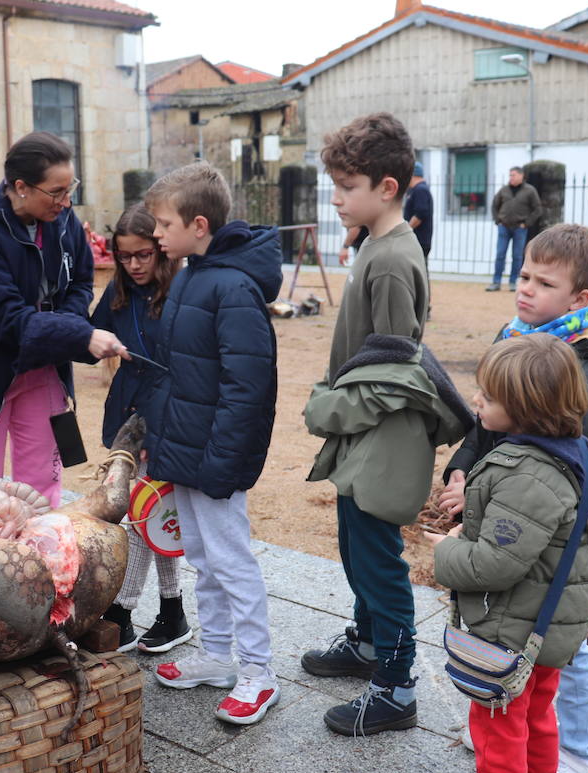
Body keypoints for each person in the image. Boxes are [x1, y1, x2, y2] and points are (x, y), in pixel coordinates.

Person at [424, 334, 588, 773]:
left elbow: (495, 563)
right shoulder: (576, 453)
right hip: (550, 628)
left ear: (525, 407)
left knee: (497, 736)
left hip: (514, 629)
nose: (477, 403)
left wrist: (448, 548)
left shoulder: (527, 470)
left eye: (487, 396)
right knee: (539, 715)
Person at [439, 223, 588, 773]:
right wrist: (463, 472)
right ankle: (512, 716)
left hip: (553, 529)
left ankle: (579, 752)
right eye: (523, 275)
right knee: (524, 631)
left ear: (581, 300)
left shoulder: (587, 370)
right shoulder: (520, 337)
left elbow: (568, 459)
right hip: (512, 509)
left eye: (544, 282)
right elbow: (485, 429)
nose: (525, 289)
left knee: (564, 640)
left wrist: (494, 503)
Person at [299, 112, 438, 737]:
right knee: (356, 548)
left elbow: (396, 372)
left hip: (381, 438)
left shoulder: (388, 260)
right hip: (364, 435)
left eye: (347, 185)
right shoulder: (373, 247)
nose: (335, 196)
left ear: (387, 186)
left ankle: (397, 685)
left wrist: (329, 408)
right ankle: (366, 644)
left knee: (379, 560)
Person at [142, 161, 282, 727]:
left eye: (163, 223)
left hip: (215, 457)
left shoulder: (233, 287)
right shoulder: (192, 272)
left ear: (199, 225)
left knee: (231, 560)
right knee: (202, 557)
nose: (155, 234)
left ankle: (258, 671)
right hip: (187, 449)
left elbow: (247, 386)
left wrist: (222, 460)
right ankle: (219, 655)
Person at [0, 132, 123, 508]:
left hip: (44, 370)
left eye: (71, 189)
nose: (66, 202)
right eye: (56, 192)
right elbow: (8, 318)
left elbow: (81, 279)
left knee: (42, 489)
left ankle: (41, 561)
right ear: (20, 187)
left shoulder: (64, 219)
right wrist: (79, 334)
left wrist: (66, 326)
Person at [90, 205, 185, 653]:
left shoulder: (181, 290)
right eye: (125, 257)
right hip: (126, 412)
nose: (134, 265)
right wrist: (96, 341)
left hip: (165, 415)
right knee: (153, 514)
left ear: (160, 249)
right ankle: (173, 611)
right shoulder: (119, 289)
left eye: (143, 255)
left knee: (145, 515)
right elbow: (92, 335)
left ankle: (122, 612)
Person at [486, 167, 542, 292]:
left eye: (513, 175)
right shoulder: (504, 190)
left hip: (520, 228)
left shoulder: (530, 190)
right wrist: (498, 221)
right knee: (500, 254)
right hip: (504, 227)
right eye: (510, 175)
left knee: (517, 256)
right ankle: (496, 282)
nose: (511, 177)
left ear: (521, 176)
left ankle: (513, 282)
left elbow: (537, 209)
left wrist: (527, 223)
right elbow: (494, 205)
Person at [404, 161, 433, 265]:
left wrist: (405, 230)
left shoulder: (420, 190)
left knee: (419, 273)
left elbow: (420, 213)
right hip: (416, 240)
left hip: (419, 240)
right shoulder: (416, 190)